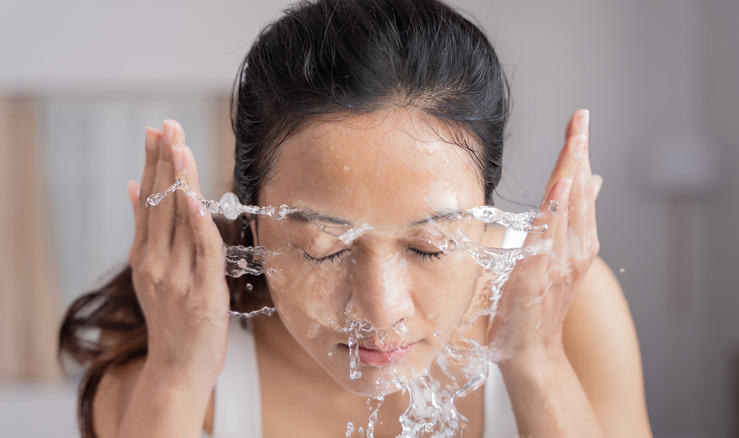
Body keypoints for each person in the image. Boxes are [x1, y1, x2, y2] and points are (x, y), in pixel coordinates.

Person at [59, 0, 653, 436]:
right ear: (255, 220)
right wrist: (177, 375)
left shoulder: (570, 308)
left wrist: (537, 363)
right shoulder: (162, 365)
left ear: (484, 213)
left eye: (431, 247)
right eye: (324, 247)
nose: (379, 309)